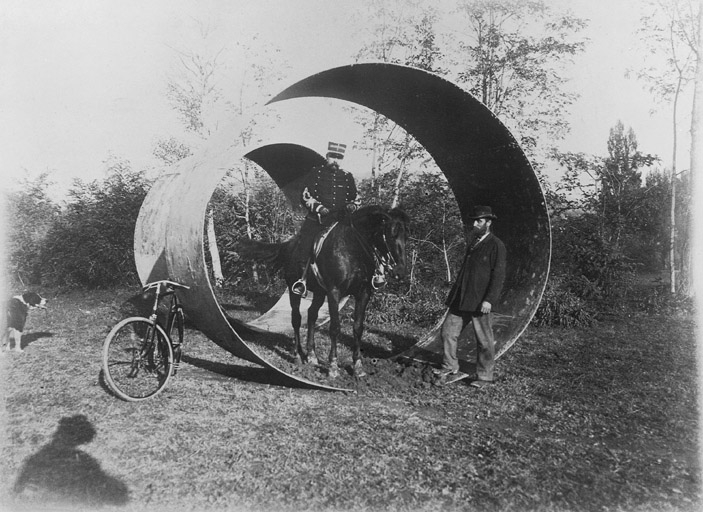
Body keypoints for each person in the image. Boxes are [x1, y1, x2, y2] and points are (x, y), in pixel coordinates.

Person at [435, 205, 506, 388]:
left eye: (479, 221)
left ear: (488, 223)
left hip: (480, 301)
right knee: (447, 332)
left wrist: (489, 299)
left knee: (484, 341)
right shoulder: (474, 242)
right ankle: (450, 365)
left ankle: (485, 377)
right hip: (461, 298)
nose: (475, 224)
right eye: (474, 220)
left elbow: (498, 276)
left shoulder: (496, 245)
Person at [291, 141, 359, 296]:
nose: (335, 160)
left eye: (339, 157)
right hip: (318, 219)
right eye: (333, 156)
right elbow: (305, 195)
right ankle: (302, 280)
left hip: (342, 220)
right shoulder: (316, 173)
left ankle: (370, 276)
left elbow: (356, 197)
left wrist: (352, 206)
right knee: (305, 244)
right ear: (327, 156)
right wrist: (319, 208)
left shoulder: (347, 176)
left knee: (362, 240)